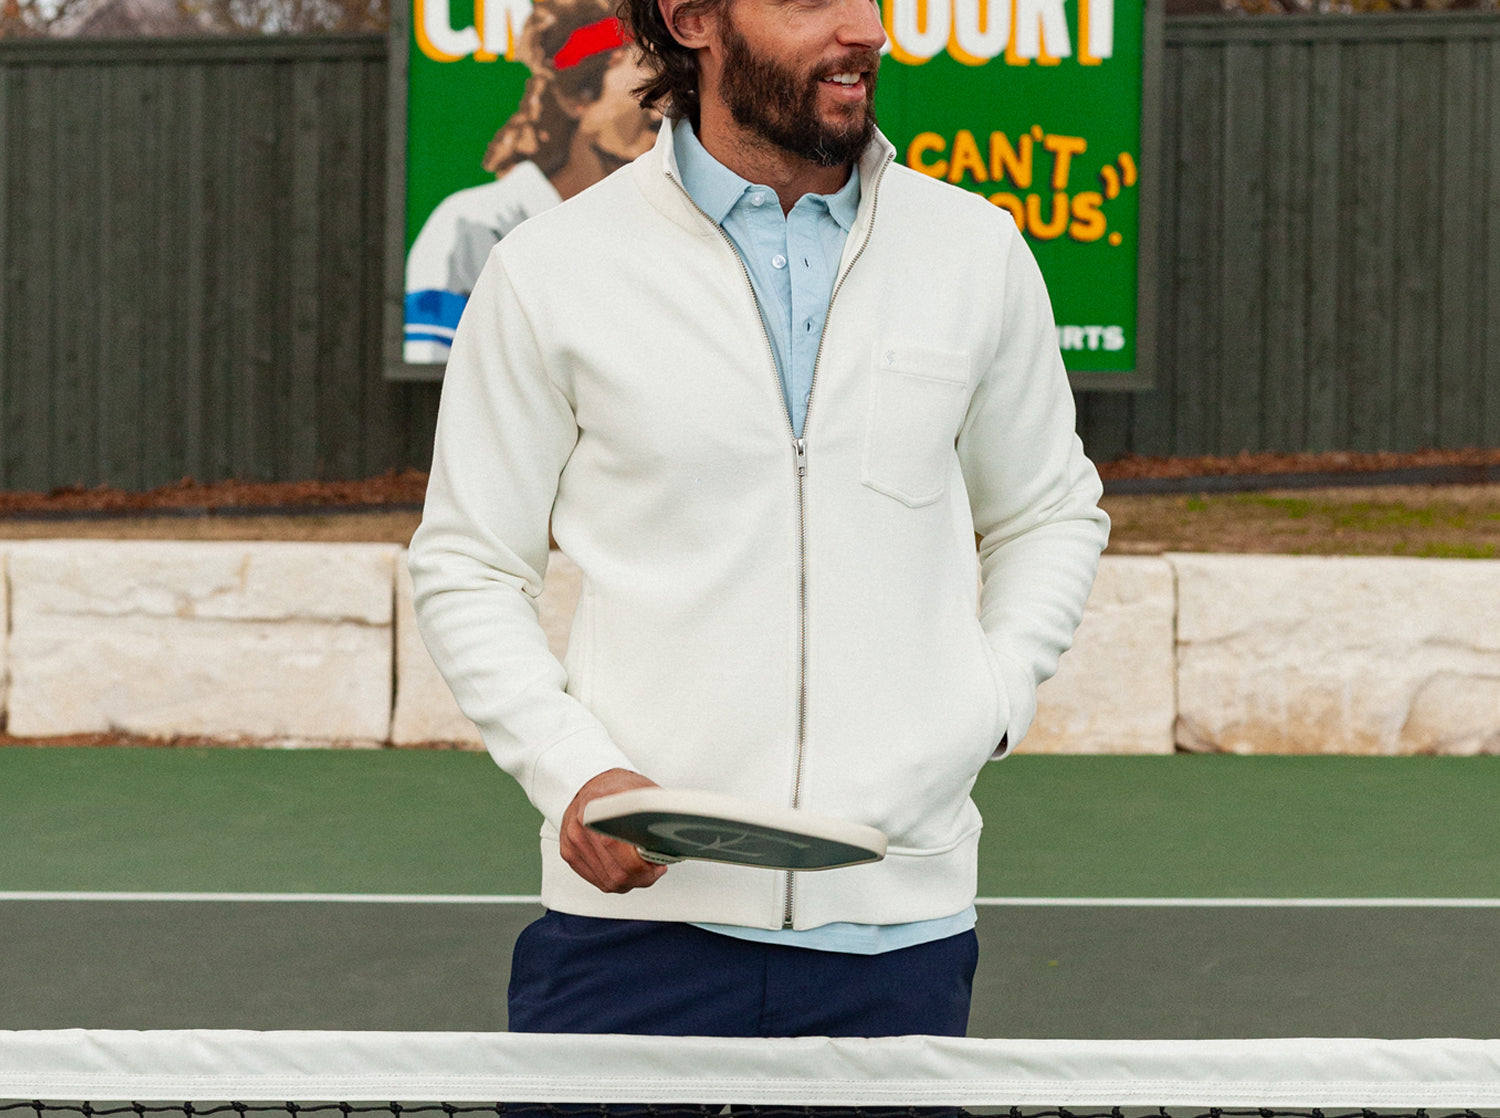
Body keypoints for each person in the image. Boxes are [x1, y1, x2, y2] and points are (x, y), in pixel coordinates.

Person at [408, 0, 1110, 1037]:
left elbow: (1049, 511)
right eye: (812, 0)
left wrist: (991, 700)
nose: (864, 29)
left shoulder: (976, 249)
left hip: (901, 936)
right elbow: (469, 563)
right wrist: (574, 771)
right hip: (628, 934)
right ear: (694, 19)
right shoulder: (550, 267)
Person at [402, 0, 660, 363]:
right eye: (651, 81)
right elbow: (433, 365)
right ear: (576, 96)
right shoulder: (470, 227)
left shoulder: (662, 228)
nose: (666, 109)